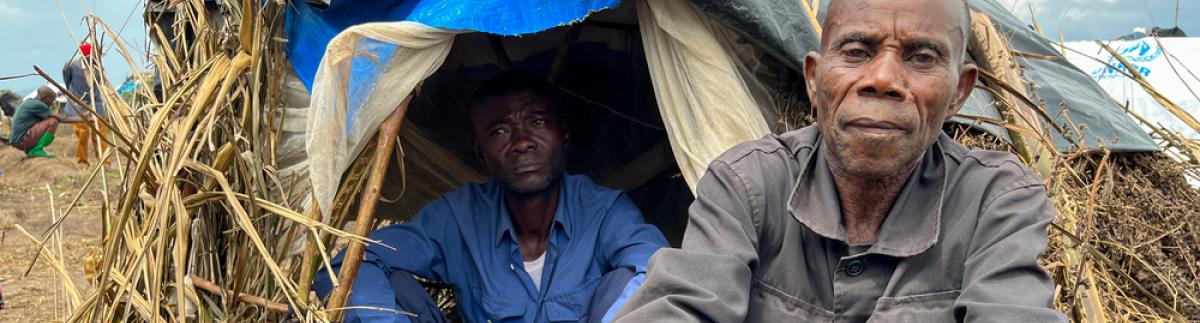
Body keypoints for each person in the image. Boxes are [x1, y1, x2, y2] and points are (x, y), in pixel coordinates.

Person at [614, 0, 1066, 321]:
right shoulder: (749, 181)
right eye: (856, 52)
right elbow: (683, 305)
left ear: (960, 93)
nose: (884, 79)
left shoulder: (996, 200)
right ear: (814, 79)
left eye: (921, 57)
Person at [312, 71, 669, 322]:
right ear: (480, 151)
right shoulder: (459, 217)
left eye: (537, 123)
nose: (521, 142)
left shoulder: (603, 211)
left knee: (632, 283)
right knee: (377, 279)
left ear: (565, 135)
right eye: (499, 131)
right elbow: (346, 266)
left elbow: (657, 267)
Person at [8, 86, 90, 158]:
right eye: (52, 99)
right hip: (22, 141)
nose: (52, 103)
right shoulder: (38, 105)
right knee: (53, 121)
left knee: (50, 119)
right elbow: (61, 119)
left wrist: (84, 116)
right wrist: (85, 119)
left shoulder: (30, 102)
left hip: (18, 140)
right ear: (44, 97)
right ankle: (36, 149)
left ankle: (34, 149)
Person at [62, 42, 109, 165]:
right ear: (86, 57)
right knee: (82, 133)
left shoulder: (98, 67)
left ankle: (104, 160)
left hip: (96, 104)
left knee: (100, 132)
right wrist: (73, 96)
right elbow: (66, 81)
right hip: (78, 104)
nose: (97, 58)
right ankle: (82, 161)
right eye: (95, 56)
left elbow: (101, 81)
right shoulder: (71, 66)